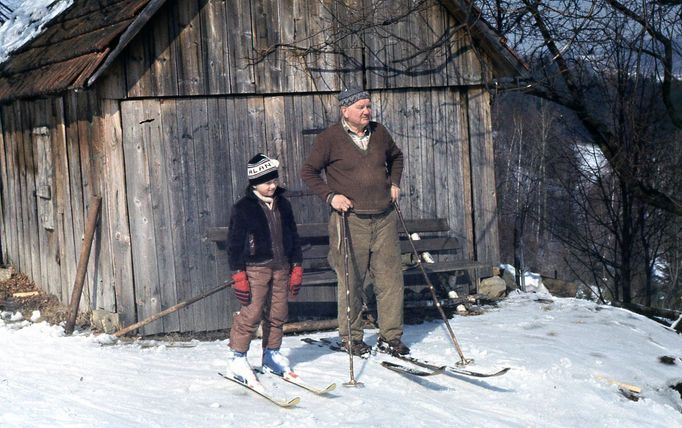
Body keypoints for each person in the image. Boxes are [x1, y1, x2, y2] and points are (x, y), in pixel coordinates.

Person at [301, 87, 410, 356]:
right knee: (351, 281)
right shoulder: (330, 138)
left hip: (384, 217)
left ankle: (390, 338)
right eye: (361, 106)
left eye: (368, 106)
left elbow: (397, 157)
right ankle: (352, 338)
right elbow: (308, 172)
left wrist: (394, 183)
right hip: (350, 220)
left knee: (391, 281)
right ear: (345, 110)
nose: (366, 111)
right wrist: (331, 196)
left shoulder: (379, 132)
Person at [226, 153, 304, 385]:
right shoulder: (243, 208)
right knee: (251, 313)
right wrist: (238, 273)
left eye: (274, 180)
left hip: (281, 267)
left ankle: (271, 354)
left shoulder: (284, 204)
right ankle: (238, 358)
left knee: (278, 313)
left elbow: (294, 236)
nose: (272, 185)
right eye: (266, 182)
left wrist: (297, 265)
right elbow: (234, 243)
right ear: (254, 183)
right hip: (255, 269)